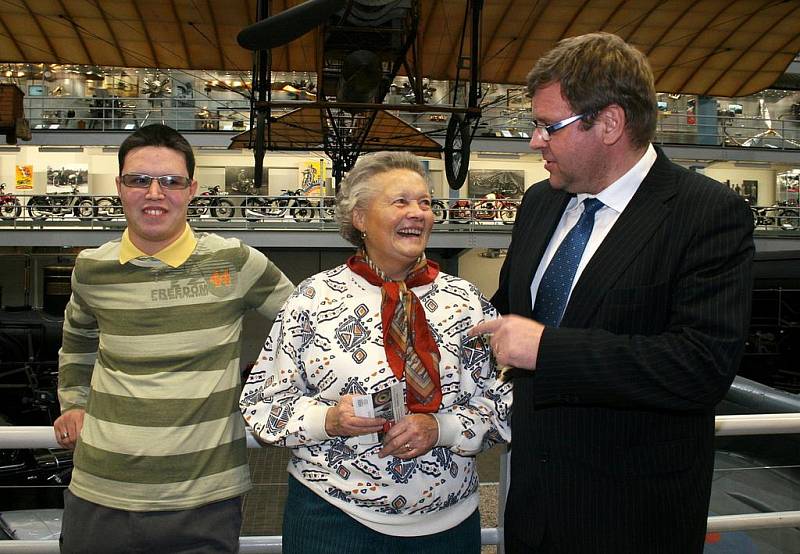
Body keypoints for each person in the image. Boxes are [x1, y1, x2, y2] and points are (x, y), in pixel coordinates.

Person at [471, 33, 754, 553]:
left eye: (546, 126)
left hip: (633, 517)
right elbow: (510, 313)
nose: (534, 142)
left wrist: (546, 350)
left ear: (609, 123)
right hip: (534, 507)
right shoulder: (540, 203)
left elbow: (701, 366)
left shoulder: (705, 214)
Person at [240, 151, 512, 554]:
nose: (418, 213)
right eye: (400, 201)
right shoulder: (312, 300)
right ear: (360, 218)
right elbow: (262, 404)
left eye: (425, 202)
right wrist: (328, 419)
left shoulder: (466, 301)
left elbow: (505, 397)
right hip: (332, 521)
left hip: (448, 528)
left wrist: (443, 428)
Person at [54, 124, 293, 553]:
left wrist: (274, 395)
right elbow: (78, 339)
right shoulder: (91, 270)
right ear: (120, 186)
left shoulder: (234, 262)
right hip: (101, 491)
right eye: (139, 180)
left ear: (192, 189)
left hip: (205, 498)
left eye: (170, 181)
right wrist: (73, 402)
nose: (154, 193)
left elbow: (305, 327)